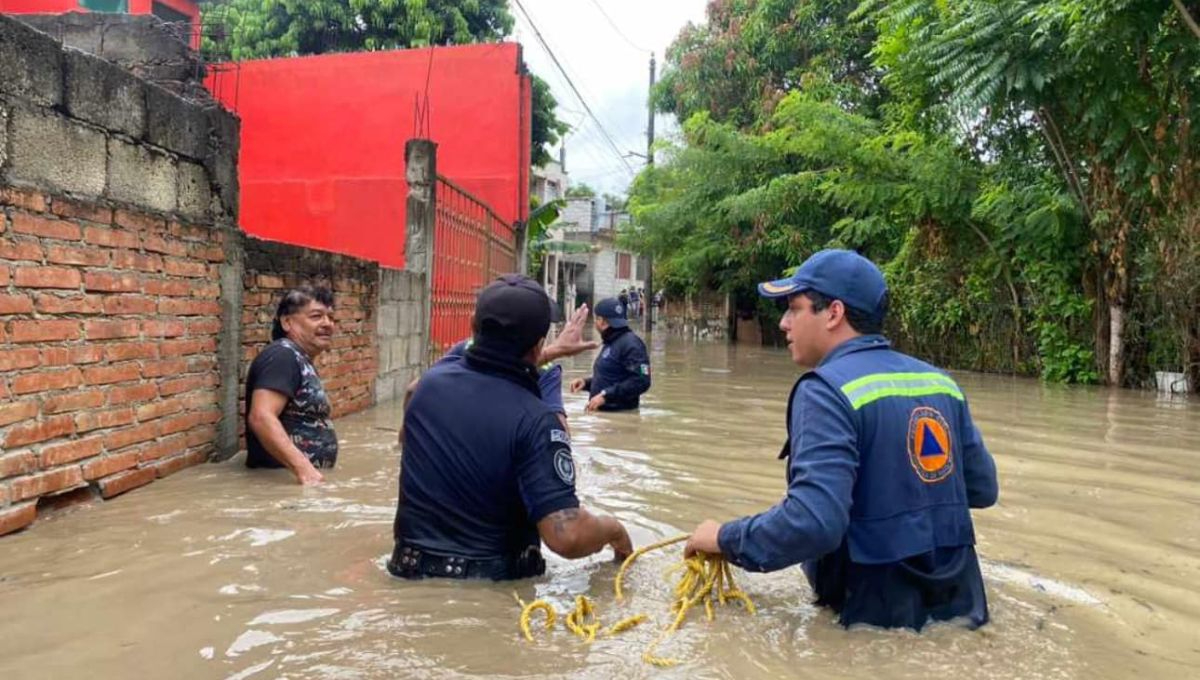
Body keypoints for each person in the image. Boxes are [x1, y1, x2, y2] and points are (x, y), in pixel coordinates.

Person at [684, 249, 999, 630]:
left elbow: (813, 523)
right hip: (963, 604)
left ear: (833, 313)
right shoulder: (940, 382)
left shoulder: (826, 390)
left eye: (794, 308)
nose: (784, 323)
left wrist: (723, 537)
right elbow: (982, 489)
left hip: (876, 617)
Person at [388, 275, 633, 580]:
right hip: (488, 592)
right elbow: (566, 537)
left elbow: (413, 403)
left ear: (471, 325)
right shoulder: (537, 420)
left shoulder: (425, 389)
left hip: (403, 572)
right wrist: (615, 530)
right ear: (539, 344)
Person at [245, 285, 339, 485]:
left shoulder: (297, 357)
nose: (328, 324)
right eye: (316, 316)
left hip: (291, 483)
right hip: (281, 484)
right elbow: (261, 416)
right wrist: (304, 470)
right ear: (287, 322)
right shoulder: (283, 356)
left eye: (331, 318)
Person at [569, 297, 651, 412]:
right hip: (602, 419)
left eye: (596, 319)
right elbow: (611, 377)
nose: (595, 323)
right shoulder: (611, 342)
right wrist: (586, 383)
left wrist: (606, 396)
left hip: (621, 419)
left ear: (602, 322)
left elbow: (642, 380)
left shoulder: (632, 345)